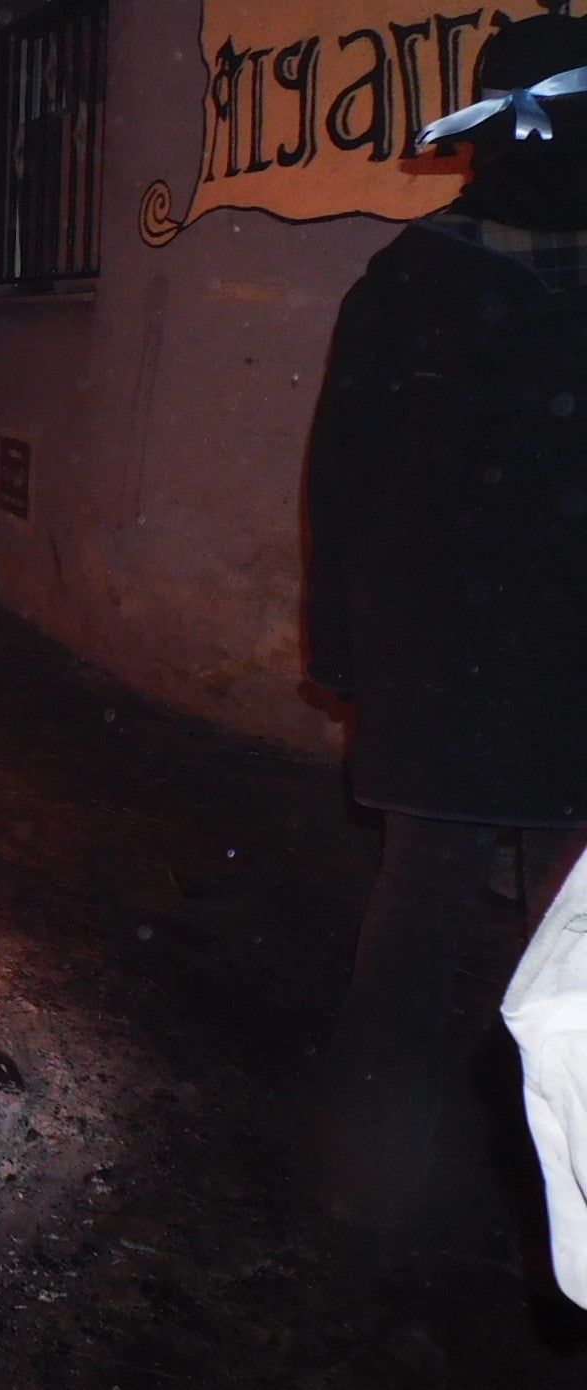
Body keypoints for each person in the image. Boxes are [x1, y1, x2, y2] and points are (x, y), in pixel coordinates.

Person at [305, 13, 587, 1230]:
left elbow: (343, 482)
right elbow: (346, 479)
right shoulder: (410, 282)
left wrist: (350, 655)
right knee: (564, 967)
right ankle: (552, 1204)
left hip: (445, 684)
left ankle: (373, 1185)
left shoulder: (408, 279)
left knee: (419, 942)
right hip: (549, 686)